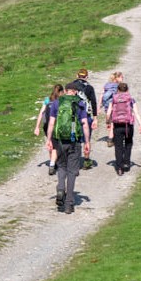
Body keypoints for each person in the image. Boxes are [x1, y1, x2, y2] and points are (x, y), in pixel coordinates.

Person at [45, 82, 91, 214]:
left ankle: (60, 188)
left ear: (65, 91)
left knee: (62, 167)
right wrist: (87, 142)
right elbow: (84, 124)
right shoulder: (80, 104)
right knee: (72, 172)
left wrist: (49, 139)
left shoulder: (56, 103)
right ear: (75, 91)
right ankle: (69, 204)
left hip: (59, 141)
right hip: (74, 142)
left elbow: (52, 123)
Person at [106, 82, 141, 175]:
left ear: (117, 90)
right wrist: (140, 124)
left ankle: (119, 168)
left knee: (118, 146)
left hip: (117, 125)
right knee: (128, 143)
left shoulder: (113, 99)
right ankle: (126, 163)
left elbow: (108, 112)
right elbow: (136, 112)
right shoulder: (131, 99)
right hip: (128, 125)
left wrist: (108, 121)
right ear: (127, 90)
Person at [34, 84, 64, 175]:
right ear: (61, 92)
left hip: (46, 126)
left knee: (50, 143)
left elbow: (41, 113)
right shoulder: (61, 100)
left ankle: (52, 163)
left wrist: (37, 127)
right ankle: (53, 164)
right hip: (56, 125)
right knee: (56, 145)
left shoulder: (47, 100)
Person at [71, 69, 99, 167]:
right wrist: (95, 118)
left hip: (72, 117)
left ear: (76, 75)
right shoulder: (89, 88)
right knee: (87, 139)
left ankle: (73, 160)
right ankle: (86, 160)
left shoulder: (71, 86)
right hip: (86, 117)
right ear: (86, 77)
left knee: (73, 138)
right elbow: (94, 103)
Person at [101, 71, 124, 146]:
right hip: (114, 106)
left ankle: (112, 137)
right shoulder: (117, 86)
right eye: (121, 77)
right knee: (114, 123)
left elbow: (102, 95)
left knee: (111, 122)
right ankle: (110, 139)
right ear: (117, 78)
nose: (122, 78)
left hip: (106, 106)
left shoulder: (107, 85)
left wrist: (100, 106)